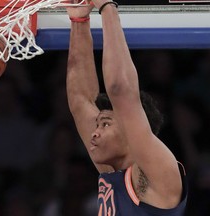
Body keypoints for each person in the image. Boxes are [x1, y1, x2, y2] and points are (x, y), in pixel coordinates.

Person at [65, 0, 187, 215]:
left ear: (131, 129)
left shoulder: (158, 173)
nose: (94, 132)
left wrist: (107, 7)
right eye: (99, 124)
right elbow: (80, 100)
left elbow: (121, 91)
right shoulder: (114, 171)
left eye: (105, 124)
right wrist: (79, 20)